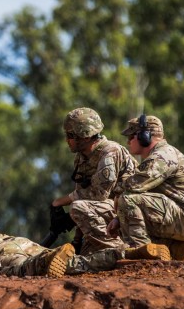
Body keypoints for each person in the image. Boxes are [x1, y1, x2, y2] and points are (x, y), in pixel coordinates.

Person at [0, 207, 171, 277]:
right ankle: (127, 253)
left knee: (35, 268)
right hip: (18, 241)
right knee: (75, 263)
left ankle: (48, 259)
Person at [108, 114, 184, 261]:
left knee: (127, 199)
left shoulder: (163, 155)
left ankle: (140, 253)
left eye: (132, 136)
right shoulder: (161, 154)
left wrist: (109, 191)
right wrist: (120, 218)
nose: (128, 141)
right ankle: (174, 248)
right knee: (129, 209)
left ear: (145, 136)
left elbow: (134, 185)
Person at [51, 108, 138, 255]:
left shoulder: (110, 152)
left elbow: (98, 195)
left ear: (85, 137)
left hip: (129, 211)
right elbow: (85, 197)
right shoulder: (81, 157)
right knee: (84, 254)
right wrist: (77, 241)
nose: (67, 140)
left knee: (76, 207)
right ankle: (109, 250)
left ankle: (120, 250)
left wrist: (60, 202)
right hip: (110, 214)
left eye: (70, 135)